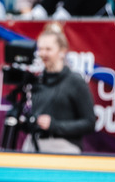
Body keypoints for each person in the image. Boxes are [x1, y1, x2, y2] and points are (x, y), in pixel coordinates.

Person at [22, 23, 95, 154]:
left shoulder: (75, 81)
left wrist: (55, 125)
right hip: (33, 144)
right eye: (41, 49)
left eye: (48, 49)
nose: (43, 53)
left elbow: (89, 122)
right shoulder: (36, 80)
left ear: (62, 51)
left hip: (64, 146)